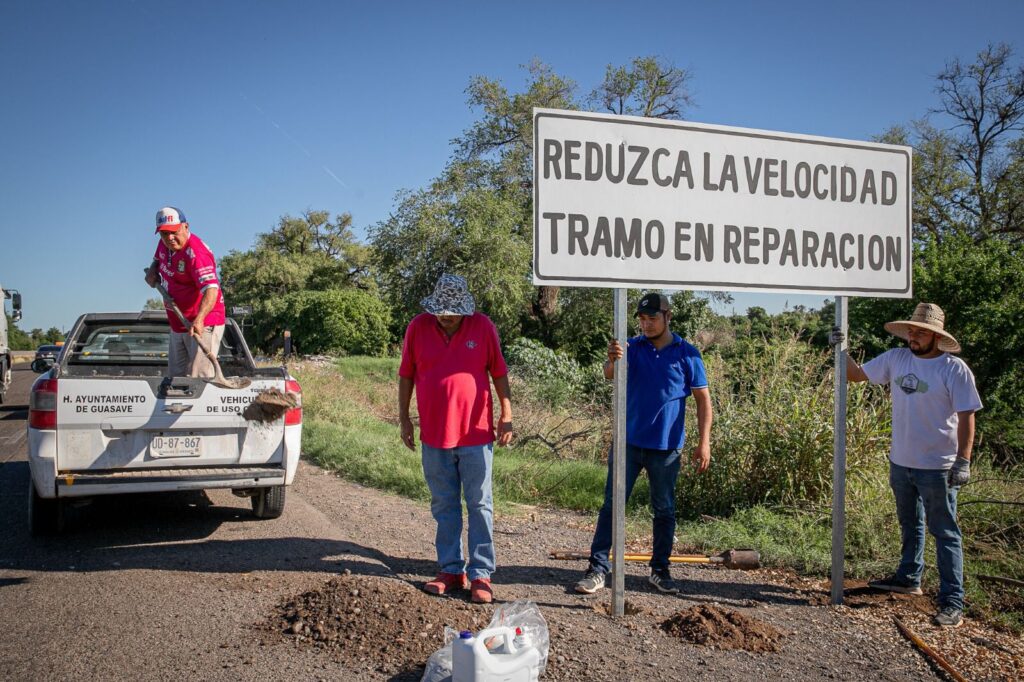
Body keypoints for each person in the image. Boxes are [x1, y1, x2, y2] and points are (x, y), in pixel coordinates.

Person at [835, 302, 982, 627]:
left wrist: (963, 461)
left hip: (939, 468)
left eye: (921, 332)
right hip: (901, 462)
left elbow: (967, 416)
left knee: (945, 532)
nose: (913, 336)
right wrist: (840, 348)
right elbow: (856, 375)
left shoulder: (953, 369)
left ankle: (952, 602)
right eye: (911, 330)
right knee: (910, 524)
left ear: (936, 336)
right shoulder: (896, 358)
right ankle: (908, 578)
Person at [575, 293, 712, 596]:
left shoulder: (688, 354)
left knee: (664, 509)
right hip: (628, 443)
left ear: (668, 317)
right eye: (642, 319)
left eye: (652, 318)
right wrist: (611, 360)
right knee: (612, 505)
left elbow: (704, 401)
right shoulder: (631, 348)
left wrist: (704, 443)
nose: (646, 324)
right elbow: (610, 375)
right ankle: (598, 569)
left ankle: (660, 571)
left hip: (666, 447)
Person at [398, 274, 513, 604]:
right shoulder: (418, 327)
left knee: (479, 504)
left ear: (465, 309)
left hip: (476, 433)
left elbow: (499, 372)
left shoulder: (482, 327)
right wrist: (404, 417)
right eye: (441, 310)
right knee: (444, 504)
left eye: (453, 311)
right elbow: (406, 374)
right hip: (434, 434)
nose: (446, 316)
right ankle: (450, 569)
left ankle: (481, 574)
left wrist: (506, 413)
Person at [144, 206, 226, 379]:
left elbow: (211, 289)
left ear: (186, 227)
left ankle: (203, 405)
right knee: (176, 379)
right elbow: (157, 258)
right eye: (164, 233)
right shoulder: (164, 243)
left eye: (174, 232)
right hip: (178, 321)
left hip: (203, 321)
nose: (170, 238)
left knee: (199, 379)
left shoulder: (196, 253)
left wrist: (200, 319)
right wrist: (153, 269)